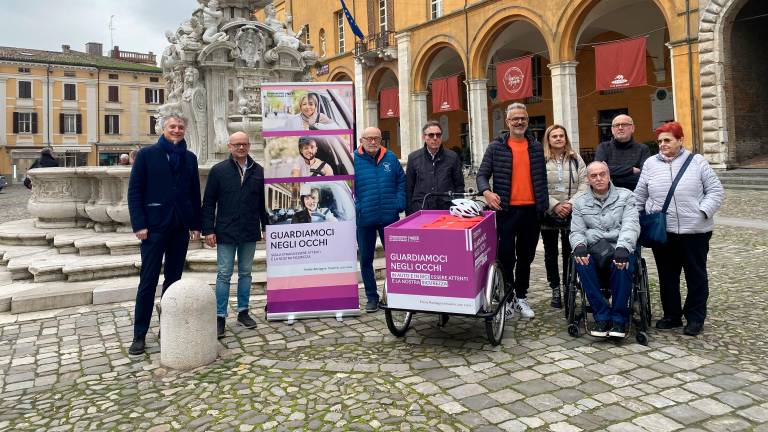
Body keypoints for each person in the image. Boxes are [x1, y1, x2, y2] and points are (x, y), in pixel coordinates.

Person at [635, 121, 724, 336]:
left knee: (696, 276)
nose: (663, 144)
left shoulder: (697, 162)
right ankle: (672, 315)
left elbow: (716, 191)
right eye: (660, 141)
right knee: (667, 276)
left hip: (695, 232)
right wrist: (636, 217)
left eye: (668, 140)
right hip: (663, 231)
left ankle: (695, 317)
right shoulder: (650, 164)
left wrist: (701, 213)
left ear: (680, 140)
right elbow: (640, 194)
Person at [127, 114, 202, 355]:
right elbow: (135, 191)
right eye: (173, 126)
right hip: (154, 227)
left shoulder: (190, 158)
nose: (177, 130)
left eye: (181, 127)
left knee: (174, 281)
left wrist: (195, 224)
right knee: (147, 281)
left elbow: (193, 193)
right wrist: (139, 224)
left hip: (179, 226)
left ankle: (168, 326)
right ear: (163, 128)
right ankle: (139, 334)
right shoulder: (147, 155)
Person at [476, 103, 548, 319]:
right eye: (515, 119)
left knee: (526, 256)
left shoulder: (536, 146)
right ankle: (506, 298)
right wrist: (486, 192)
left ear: (527, 120)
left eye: (523, 118)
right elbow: (481, 175)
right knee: (506, 257)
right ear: (508, 122)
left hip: (531, 212)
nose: (519, 122)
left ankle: (521, 296)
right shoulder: (496, 146)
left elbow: (542, 177)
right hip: (506, 211)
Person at [202, 131, 269, 338]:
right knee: (224, 274)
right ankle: (220, 316)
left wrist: (266, 227)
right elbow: (209, 202)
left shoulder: (259, 171)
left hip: (249, 230)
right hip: (225, 230)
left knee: (246, 273)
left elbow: (262, 204)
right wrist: (208, 230)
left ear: (249, 146)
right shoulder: (218, 170)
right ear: (229, 147)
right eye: (237, 144)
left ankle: (243, 312)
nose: (241, 147)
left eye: (245, 144)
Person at [570, 161, 640, 338]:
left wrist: (623, 247)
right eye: (594, 176)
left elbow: (631, 225)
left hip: (619, 246)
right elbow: (577, 231)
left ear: (609, 176)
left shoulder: (627, 197)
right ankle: (601, 316)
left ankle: (618, 319)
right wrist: (579, 246)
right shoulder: (580, 202)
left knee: (622, 264)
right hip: (594, 249)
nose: (599, 178)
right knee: (581, 262)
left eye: (603, 174)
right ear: (588, 179)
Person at [354, 126, 405, 312]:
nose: (372, 142)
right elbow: (347, 187)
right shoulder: (353, 160)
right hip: (364, 218)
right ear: (361, 140)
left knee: (394, 258)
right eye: (369, 138)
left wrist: (398, 203)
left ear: (381, 140)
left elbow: (401, 181)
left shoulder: (390, 158)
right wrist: (357, 207)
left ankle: (394, 293)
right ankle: (372, 297)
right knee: (366, 260)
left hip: (388, 217)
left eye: (376, 138)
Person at [541, 125, 587, 308]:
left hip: (572, 212)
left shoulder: (576, 159)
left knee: (570, 252)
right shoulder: (541, 160)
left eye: (561, 135)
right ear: (549, 139)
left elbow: (584, 183)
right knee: (550, 254)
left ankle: (569, 287)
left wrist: (570, 204)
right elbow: (538, 185)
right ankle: (555, 289)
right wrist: (555, 205)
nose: (558, 138)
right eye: (554, 136)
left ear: (566, 138)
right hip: (549, 212)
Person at [405, 120, 464, 215]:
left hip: (447, 209)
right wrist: (410, 212)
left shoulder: (452, 157)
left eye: (438, 135)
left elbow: (459, 186)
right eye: (431, 135)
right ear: (424, 137)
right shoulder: (413, 158)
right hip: (421, 209)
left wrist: (458, 207)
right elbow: (409, 187)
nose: (435, 138)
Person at [595, 114, 650, 191]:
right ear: (612, 130)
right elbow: (599, 171)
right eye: (617, 125)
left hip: (635, 194)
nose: (620, 128)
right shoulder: (603, 147)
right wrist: (631, 170)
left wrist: (612, 176)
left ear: (632, 128)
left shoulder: (643, 149)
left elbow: (644, 176)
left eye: (624, 124)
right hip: (609, 195)